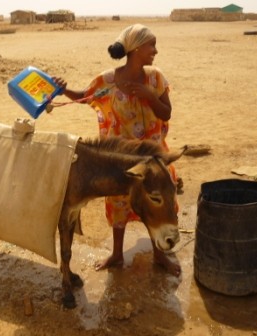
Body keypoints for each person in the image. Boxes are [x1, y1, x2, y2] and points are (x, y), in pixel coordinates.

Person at [53, 24, 181, 277]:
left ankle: (160, 255)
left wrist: (148, 95)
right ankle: (117, 253)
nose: (155, 50)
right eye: (151, 45)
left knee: (158, 203)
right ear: (135, 48)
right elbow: (85, 96)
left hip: (153, 158)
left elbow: (166, 113)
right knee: (118, 204)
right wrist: (62, 89)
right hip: (121, 162)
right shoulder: (108, 80)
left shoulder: (155, 78)